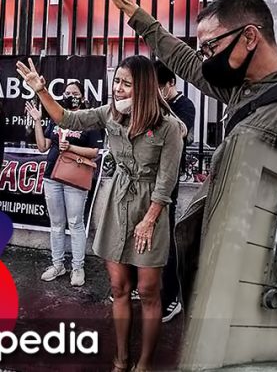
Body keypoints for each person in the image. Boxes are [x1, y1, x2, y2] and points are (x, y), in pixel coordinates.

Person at [104, 0, 277, 311]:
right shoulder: (242, 90)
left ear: (249, 37)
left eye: (211, 47)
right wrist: (135, 14)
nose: (206, 58)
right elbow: (186, 61)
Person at [17, 56, 184, 372]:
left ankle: (144, 364)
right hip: (116, 204)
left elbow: (166, 183)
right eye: (116, 81)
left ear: (144, 87)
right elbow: (65, 118)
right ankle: (121, 360)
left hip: (150, 209)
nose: (118, 88)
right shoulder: (109, 114)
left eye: (126, 83)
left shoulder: (169, 127)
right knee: (119, 288)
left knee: (148, 291)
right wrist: (40, 90)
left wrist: (149, 220)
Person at [25, 82, 100, 287]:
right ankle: (58, 265)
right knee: (56, 224)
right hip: (52, 177)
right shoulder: (56, 117)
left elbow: (94, 152)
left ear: (82, 97)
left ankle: (78, 267)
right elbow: (43, 147)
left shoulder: (88, 119)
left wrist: (71, 147)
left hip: (75, 178)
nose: (70, 96)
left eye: (75, 93)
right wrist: (38, 121)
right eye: (67, 92)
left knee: (75, 223)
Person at [154, 60, 195, 322]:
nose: (156, 92)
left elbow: (181, 132)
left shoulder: (184, 105)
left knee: (166, 239)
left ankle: (171, 298)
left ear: (171, 83)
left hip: (167, 180)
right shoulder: (153, 104)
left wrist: (161, 106)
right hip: (147, 175)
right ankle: (137, 285)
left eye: (160, 87)